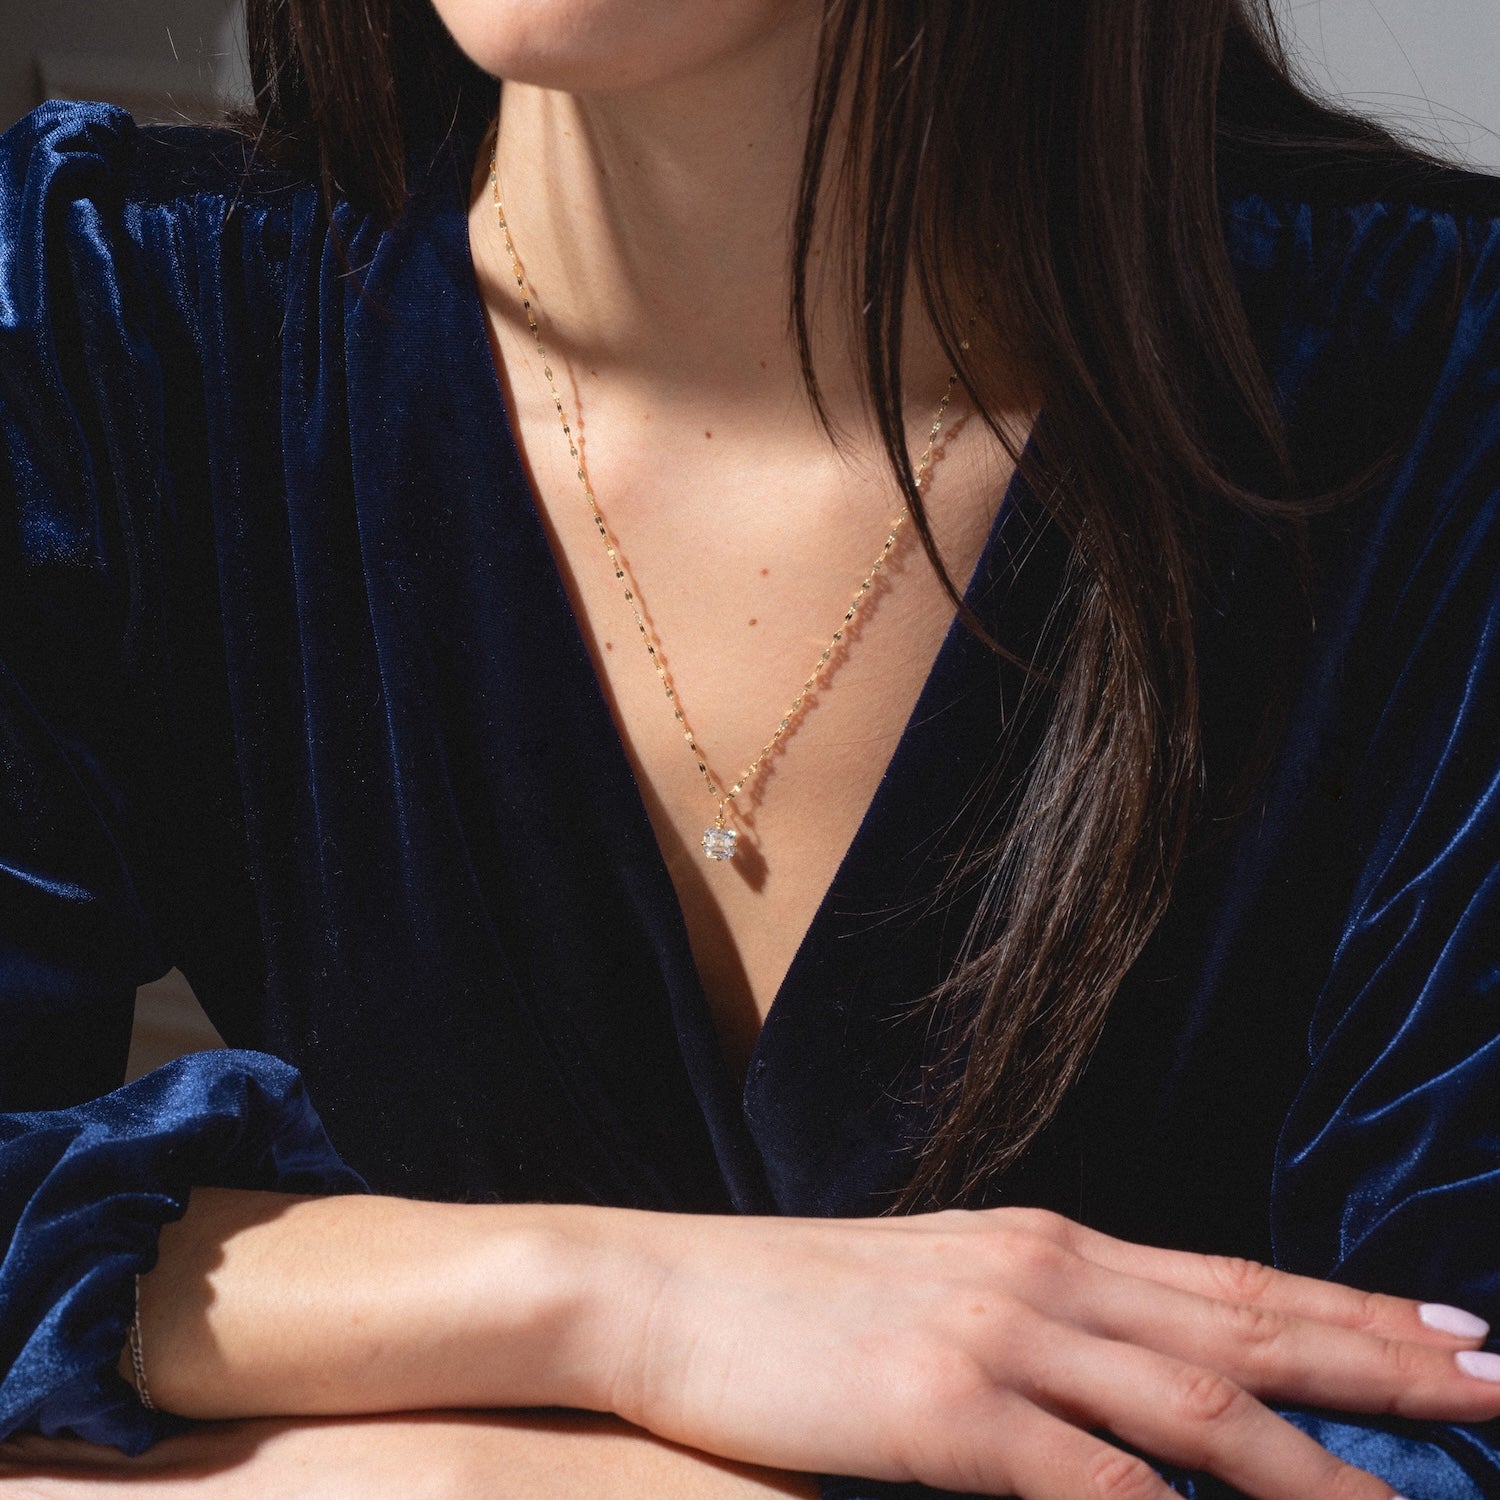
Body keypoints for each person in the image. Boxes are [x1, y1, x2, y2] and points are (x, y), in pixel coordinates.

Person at [0, 0, 1498, 1495]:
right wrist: (601, 1305)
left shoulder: (1441, 383)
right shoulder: (102, 316)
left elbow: (1443, 1425)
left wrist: (350, 1458)